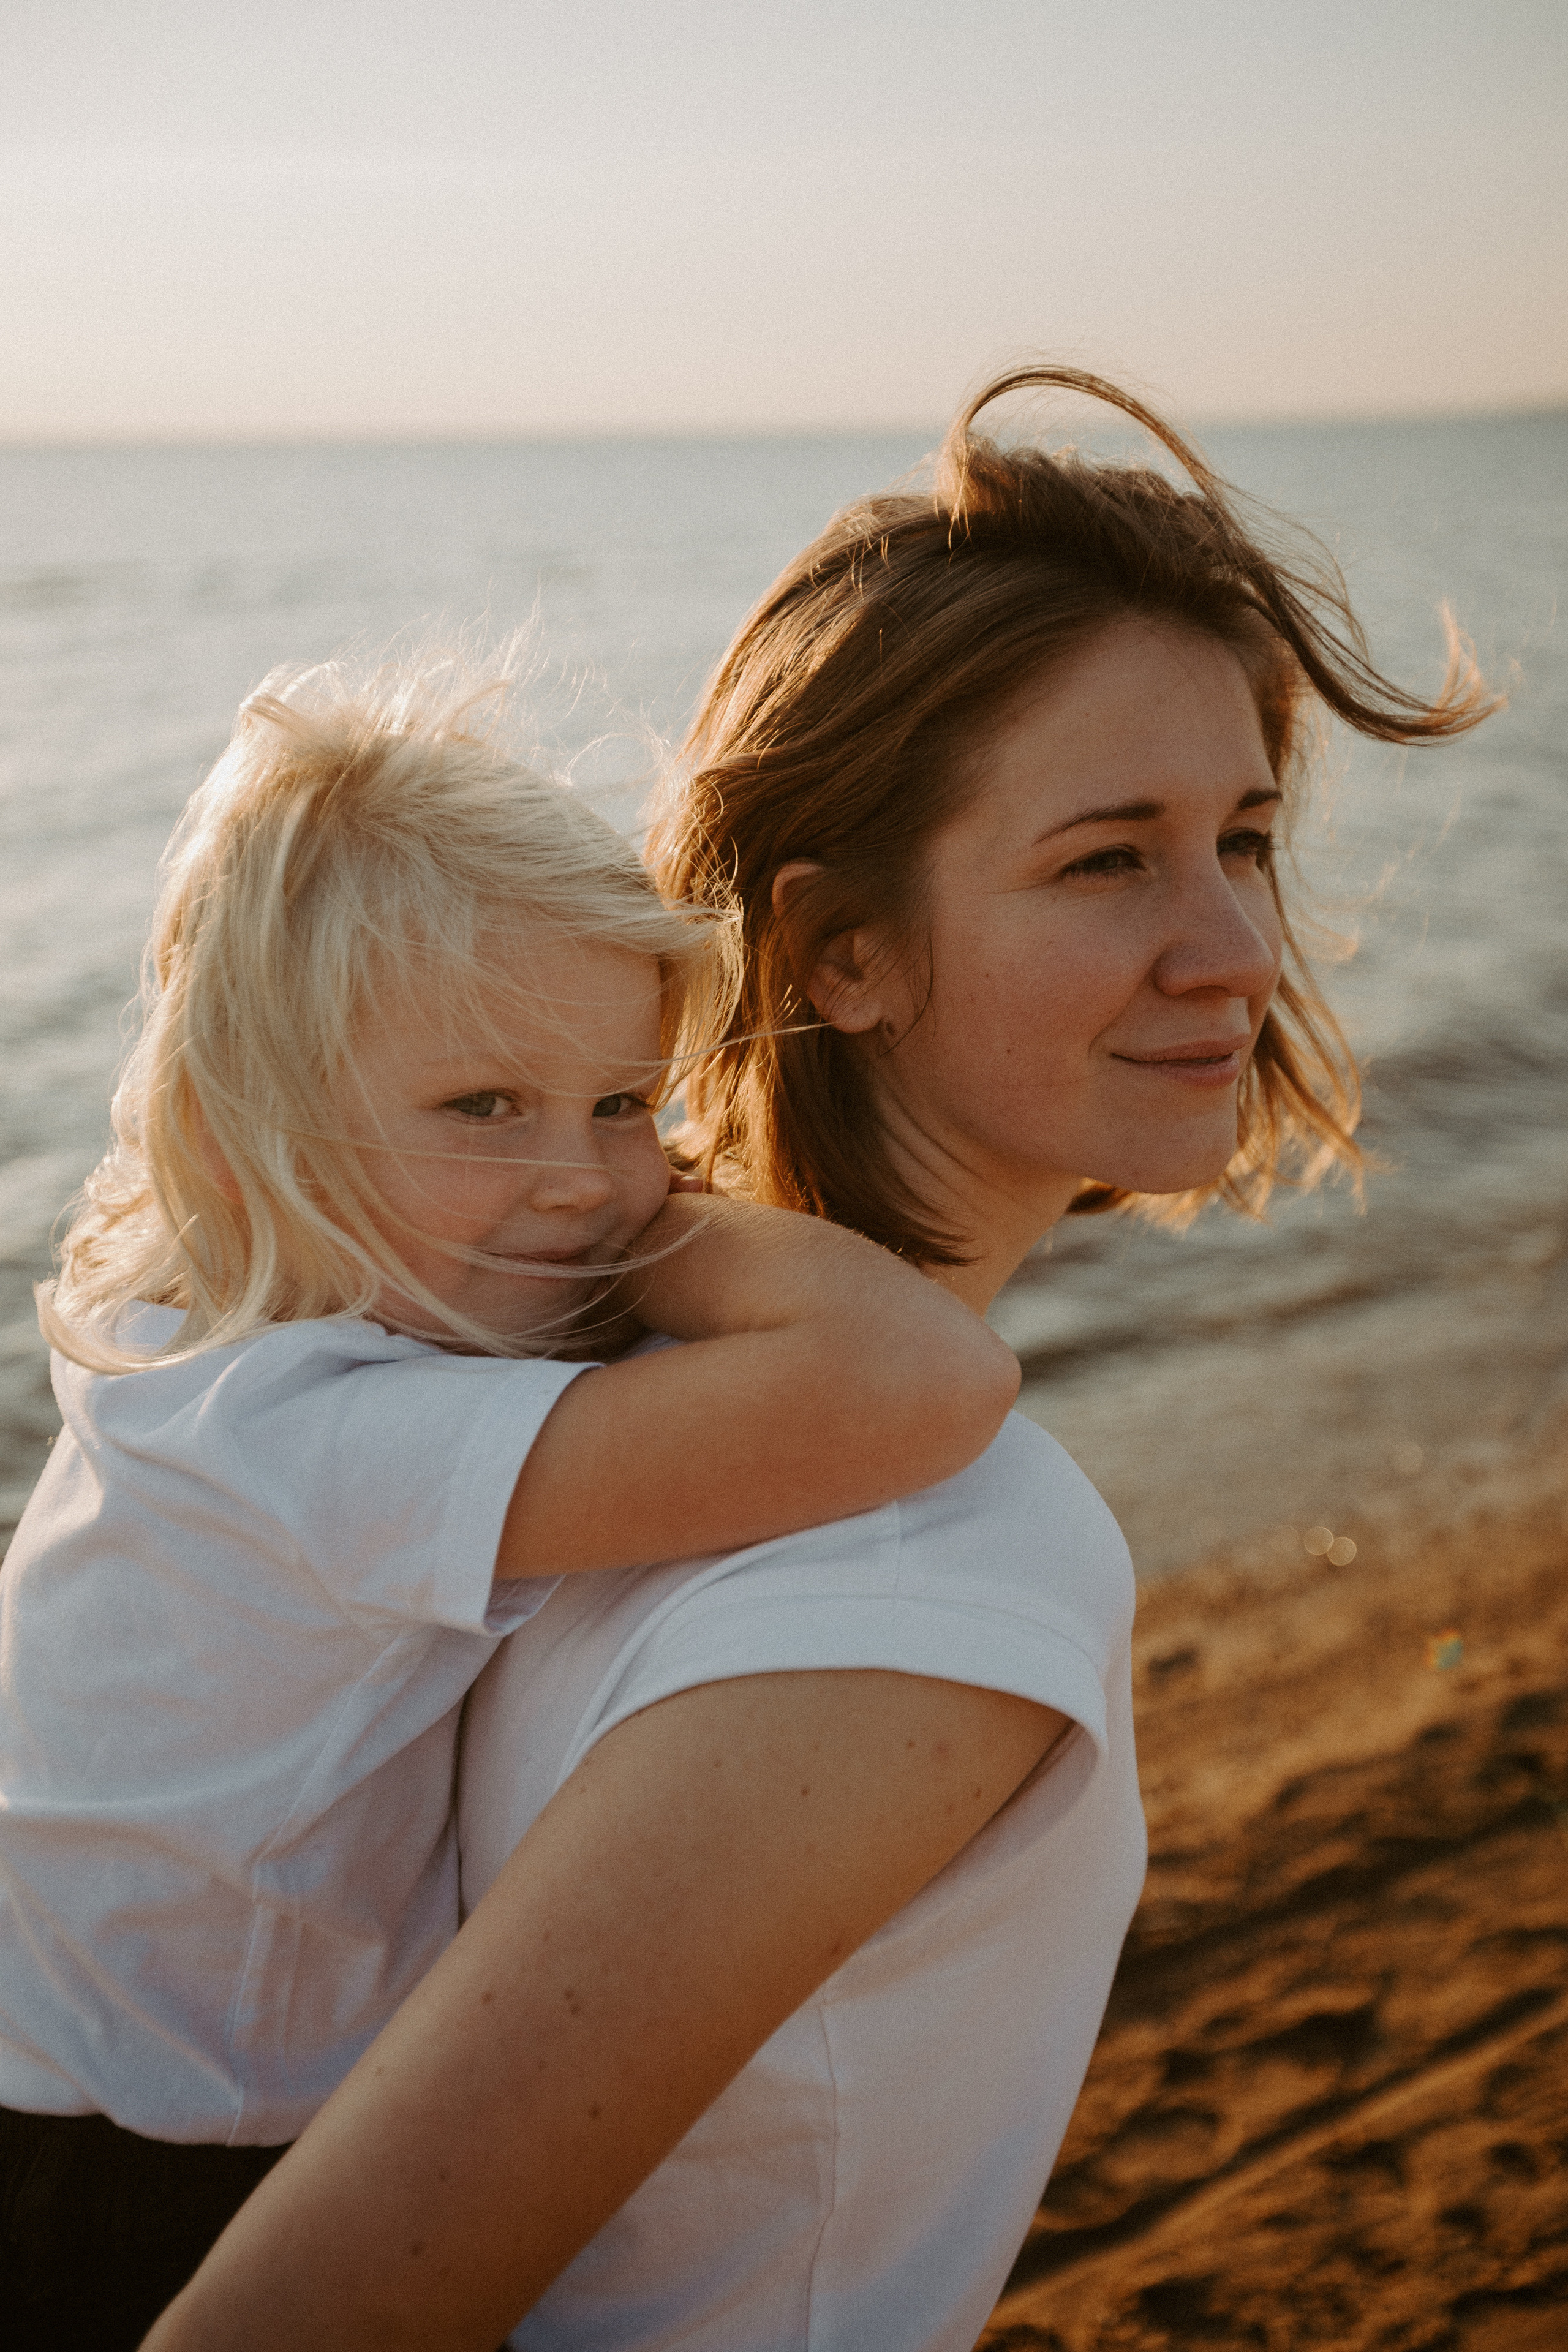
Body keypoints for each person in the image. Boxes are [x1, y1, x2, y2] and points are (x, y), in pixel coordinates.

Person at [145, 367, 1493, 2352]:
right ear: (840, 950)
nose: (1231, 945)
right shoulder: (929, 1570)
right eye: (1106, 858)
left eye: (1248, 837)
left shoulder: (480, 1368)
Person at [0, 654, 1021, 2351]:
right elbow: (925, 1383)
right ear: (254, 1132)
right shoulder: (317, 1434)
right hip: (122, 2153)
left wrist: (575, 1179)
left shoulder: (205, 1316)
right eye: (483, 1106)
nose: (584, 1174)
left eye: (629, 1104)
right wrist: (663, 1227)